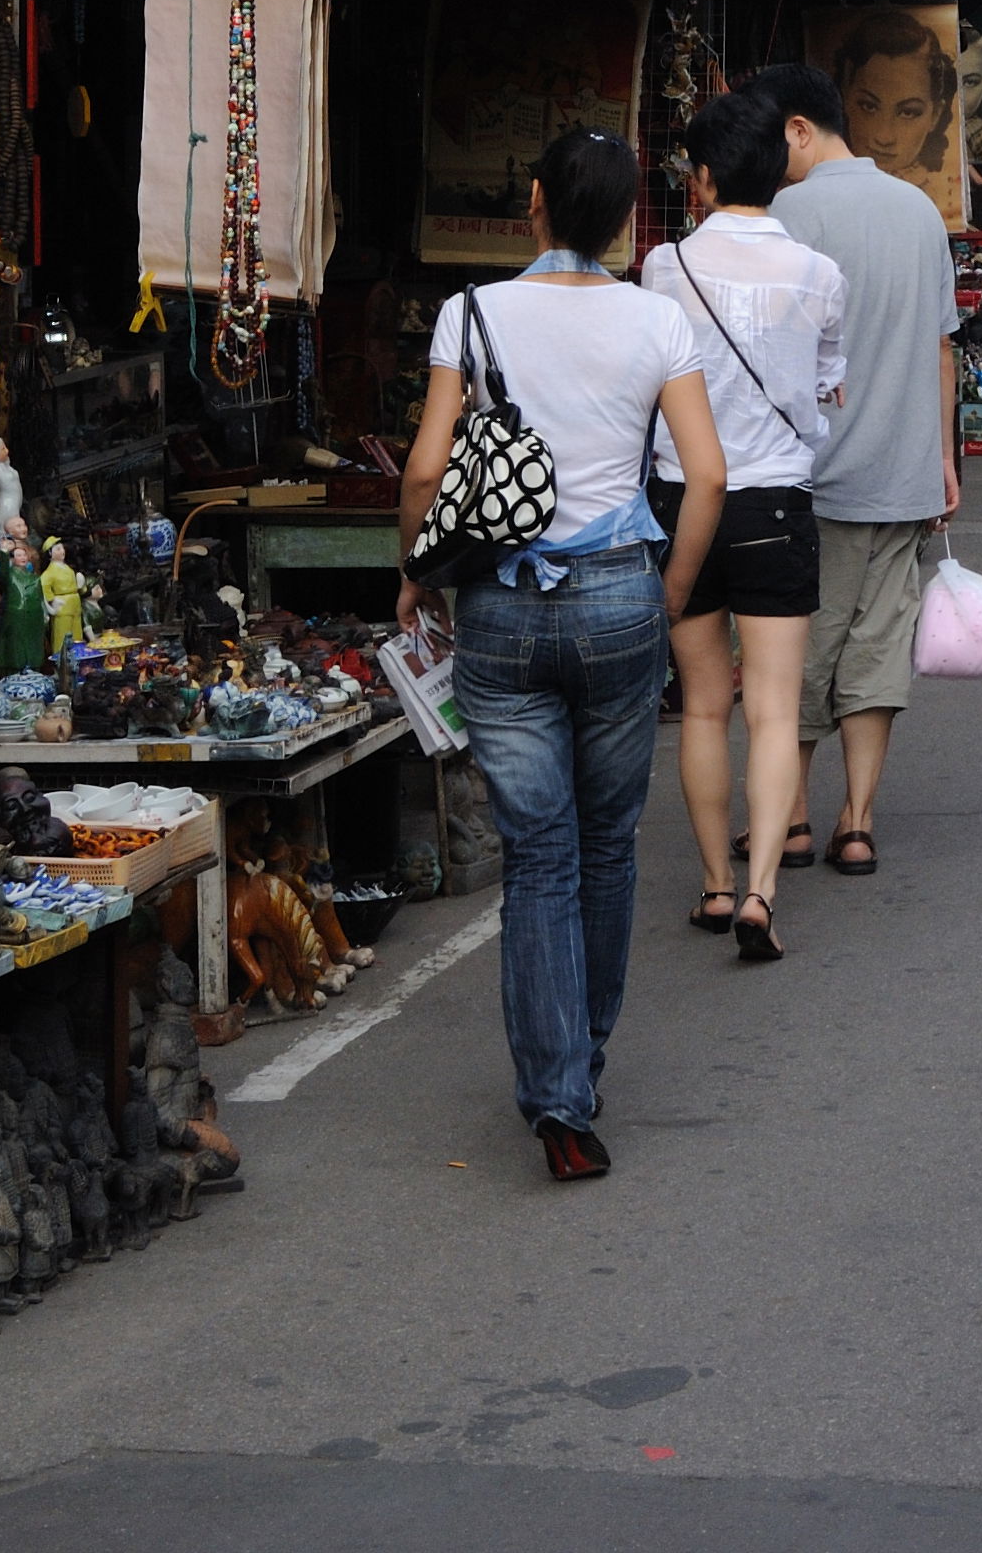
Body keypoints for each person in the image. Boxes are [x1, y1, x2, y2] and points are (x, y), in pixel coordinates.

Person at [396, 128, 724, 1182]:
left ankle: (558, 1102)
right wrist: (665, 594)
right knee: (608, 843)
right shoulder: (656, 319)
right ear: (627, 219)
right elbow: (704, 476)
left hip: (499, 601)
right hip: (622, 594)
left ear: (532, 202)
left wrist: (415, 569)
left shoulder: (471, 313)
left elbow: (424, 470)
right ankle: (582, 1060)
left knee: (538, 854)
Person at [644, 92, 848, 965]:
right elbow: (828, 382)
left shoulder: (661, 267)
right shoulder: (819, 273)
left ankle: (713, 884)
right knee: (772, 711)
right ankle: (762, 890)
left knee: (702, 706)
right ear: (781, 169)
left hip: (680, 498)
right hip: (774, 502)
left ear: (702, 177)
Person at [741, 61, 957, 876]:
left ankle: (789, 820)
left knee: (794, 650)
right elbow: (942, 346)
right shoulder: (916, 208)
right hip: (903, 473)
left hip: (808, 480)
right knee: (876, 653)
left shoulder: (781, 216)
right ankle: (856, 822)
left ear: (798, 129)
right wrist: (943, 458)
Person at [830, 9, 959, 205]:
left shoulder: (937, 204)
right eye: (869, 106)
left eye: (908, 112)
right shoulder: (822, 194)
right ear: (845, 97)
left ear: (935, 115)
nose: (884, 137)